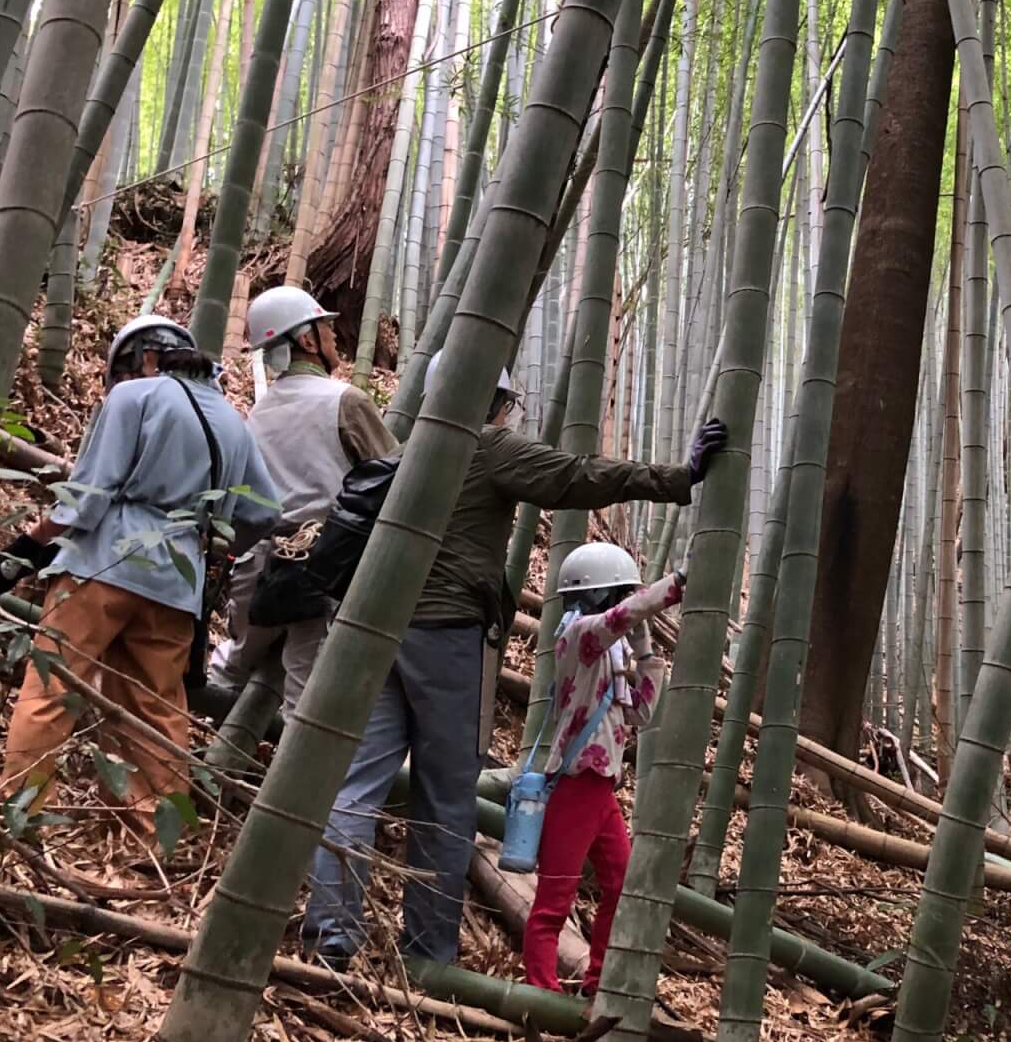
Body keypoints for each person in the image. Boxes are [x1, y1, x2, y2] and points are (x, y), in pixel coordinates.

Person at [300, 351, 726, 970]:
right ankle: (427, 951)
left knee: (355, 786)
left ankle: (332, 936)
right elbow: (578, 475)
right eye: (505, 407)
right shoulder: (486, 447)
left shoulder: (403, 449)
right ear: (492, 402)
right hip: (448, 640)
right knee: (445, 799)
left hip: (373, 634)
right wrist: (680, 476)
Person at [0, 315, 280, 833]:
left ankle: (23, 821)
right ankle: (155, 839)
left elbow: (87, 497)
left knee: (52, 690)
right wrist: (217, 549)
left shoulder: (134, 398)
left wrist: (25, 548)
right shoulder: (234, 422)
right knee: (154, 711)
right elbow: (266, 512)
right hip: (176, 581)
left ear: (145, 358)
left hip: (100, 566)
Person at [211, 285, 395, 711]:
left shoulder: (255, 414)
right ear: (307, 340)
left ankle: (192, 749)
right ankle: (292, 779)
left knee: (232, 663)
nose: (334, 337)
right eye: (325, 329)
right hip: (318, 565)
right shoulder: (345, 401)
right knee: (306, 693)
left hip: (255, 569)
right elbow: (393, 478)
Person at [520, 542, 681, 993]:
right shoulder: (577, 637)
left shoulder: (608, 654)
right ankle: (540, 992)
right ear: (596, 596)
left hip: (600, 787)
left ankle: (598, 981)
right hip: (577, 784)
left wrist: (647, 651)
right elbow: (620, 618)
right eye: (617, 593)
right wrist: (674, 586)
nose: (620, 603)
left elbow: (639, 714)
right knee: (555, 898)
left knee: (621, 885)